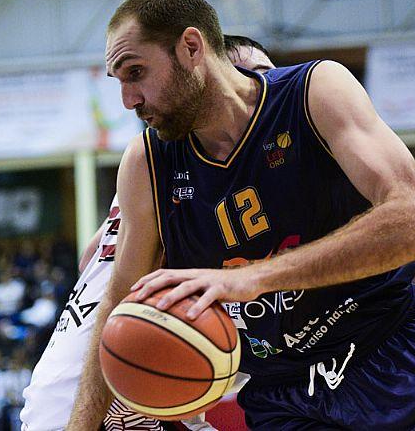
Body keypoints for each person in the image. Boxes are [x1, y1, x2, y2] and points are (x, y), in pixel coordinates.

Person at [67, 0, 415, 431]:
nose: (129, 100)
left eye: (136, 72)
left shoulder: (316, 91)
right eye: (119, 82)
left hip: (404, 358)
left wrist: (251, 278)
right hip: (286, 397)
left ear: (191, 47)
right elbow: (117, 304)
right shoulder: (146, 164)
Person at [20, 35, 275, 431]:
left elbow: (89, 257)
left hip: (77, 364)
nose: (266, 88)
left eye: (271, 76)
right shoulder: (185, 166)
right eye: (254, 74)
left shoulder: (155, 169)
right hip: (103, 379)